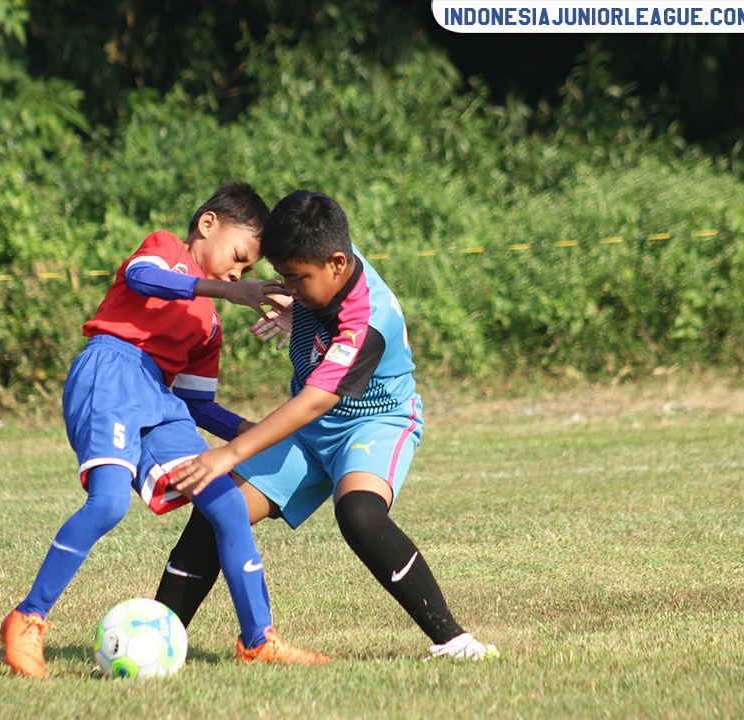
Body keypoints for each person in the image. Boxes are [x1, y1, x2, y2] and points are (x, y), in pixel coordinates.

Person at [0, 181, 330, 678]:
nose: (238, 274)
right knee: (108, 504)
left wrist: (253, 430)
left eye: (247, 272)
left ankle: (258, 639)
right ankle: (28, 617)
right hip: (111, 371)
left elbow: (197, 404)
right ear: (208, 224)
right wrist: (226, 290)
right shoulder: (165, 250)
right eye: (239, 258)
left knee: (227, 504)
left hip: (159, 397)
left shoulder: (209, 325)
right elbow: (142, 278)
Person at [156, 189, 500, 662]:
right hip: (312, 425)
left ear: (338, 264)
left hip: (374, 422)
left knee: (359, 514)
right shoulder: (321, 253)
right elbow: (311, 294)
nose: (288, 289)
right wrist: (298, 306)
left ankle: (455, 641)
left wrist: (229, 452)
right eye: (282, 277)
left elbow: (314, 401)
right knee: (219, 509)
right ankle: (156, 637)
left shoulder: (368, 319)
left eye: (296, 280)